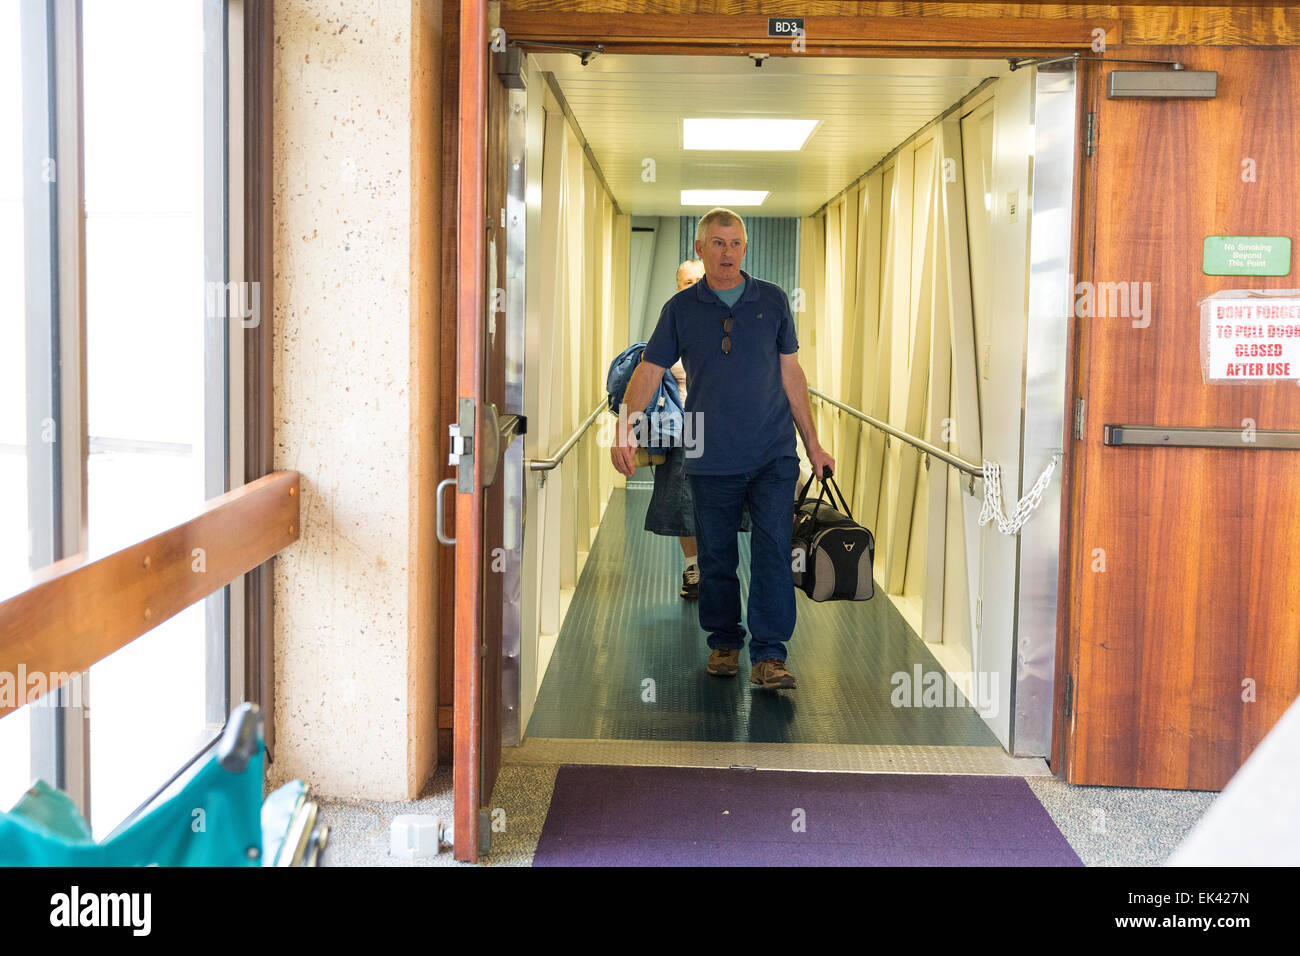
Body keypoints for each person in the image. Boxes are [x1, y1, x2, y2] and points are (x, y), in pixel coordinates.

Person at [612, 208, 834, 691]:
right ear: (700, 248)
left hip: (773, 454)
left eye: (735, 243)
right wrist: (624, 429)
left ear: (745, 249)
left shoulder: (772, 302)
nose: (727, 252)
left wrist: (813, 444)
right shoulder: (680, 309)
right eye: (717, 243)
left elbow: (791, 374)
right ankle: (724, 642)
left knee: (773, 552)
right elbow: (649, 371)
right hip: (708, 456)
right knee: (716, 557)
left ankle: (770, 655)